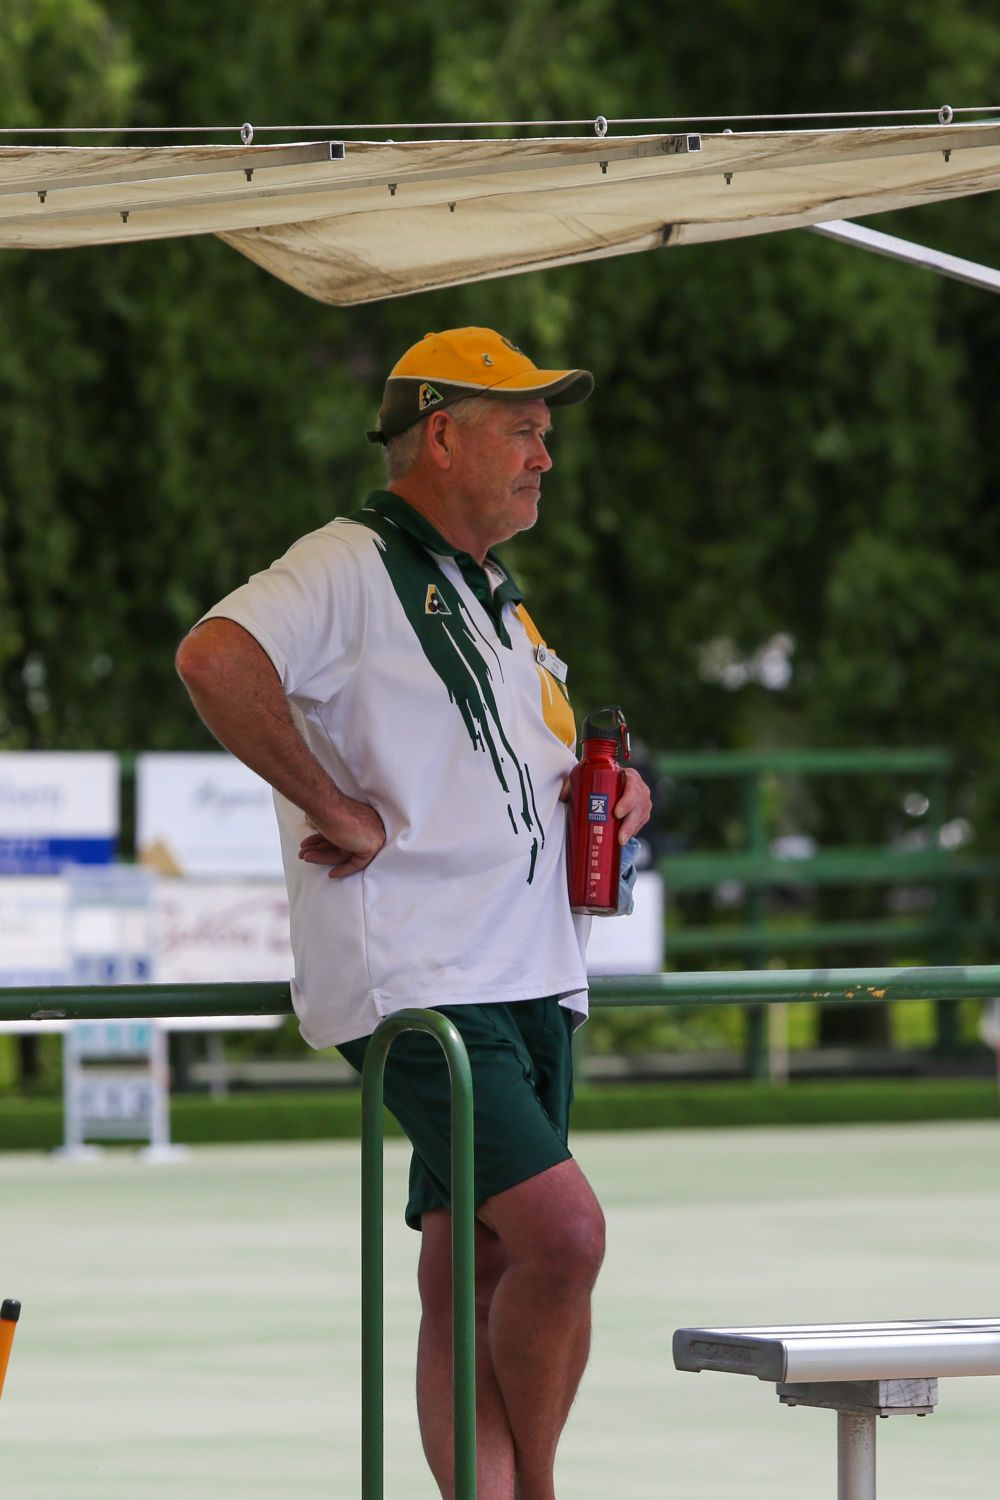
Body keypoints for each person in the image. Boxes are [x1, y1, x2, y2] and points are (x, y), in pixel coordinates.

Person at [175, 326, 652, 1500]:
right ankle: (535, 1491)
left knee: (467, 1270)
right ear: (441, 435)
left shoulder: (496, 596)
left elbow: (508, 769)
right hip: (428, 981)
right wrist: (331, 806)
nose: (547, 457)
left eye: (547, 434)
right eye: (524, 432)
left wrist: (614, 795)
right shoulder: (349, 561)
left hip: (524, 972)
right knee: (565, 1236)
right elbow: (215, 656)